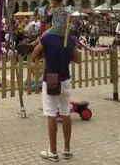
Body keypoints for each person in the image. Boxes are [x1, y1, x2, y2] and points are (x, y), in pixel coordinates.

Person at [31, 30, 76, 161]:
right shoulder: (69, 39)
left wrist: (46, 54)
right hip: (65, 78)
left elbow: (34, 55)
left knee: (51, 114)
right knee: (65, 112)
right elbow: (77, 58)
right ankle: (67, 149)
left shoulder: (47, 39)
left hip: (51, 78)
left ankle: (53, 151)